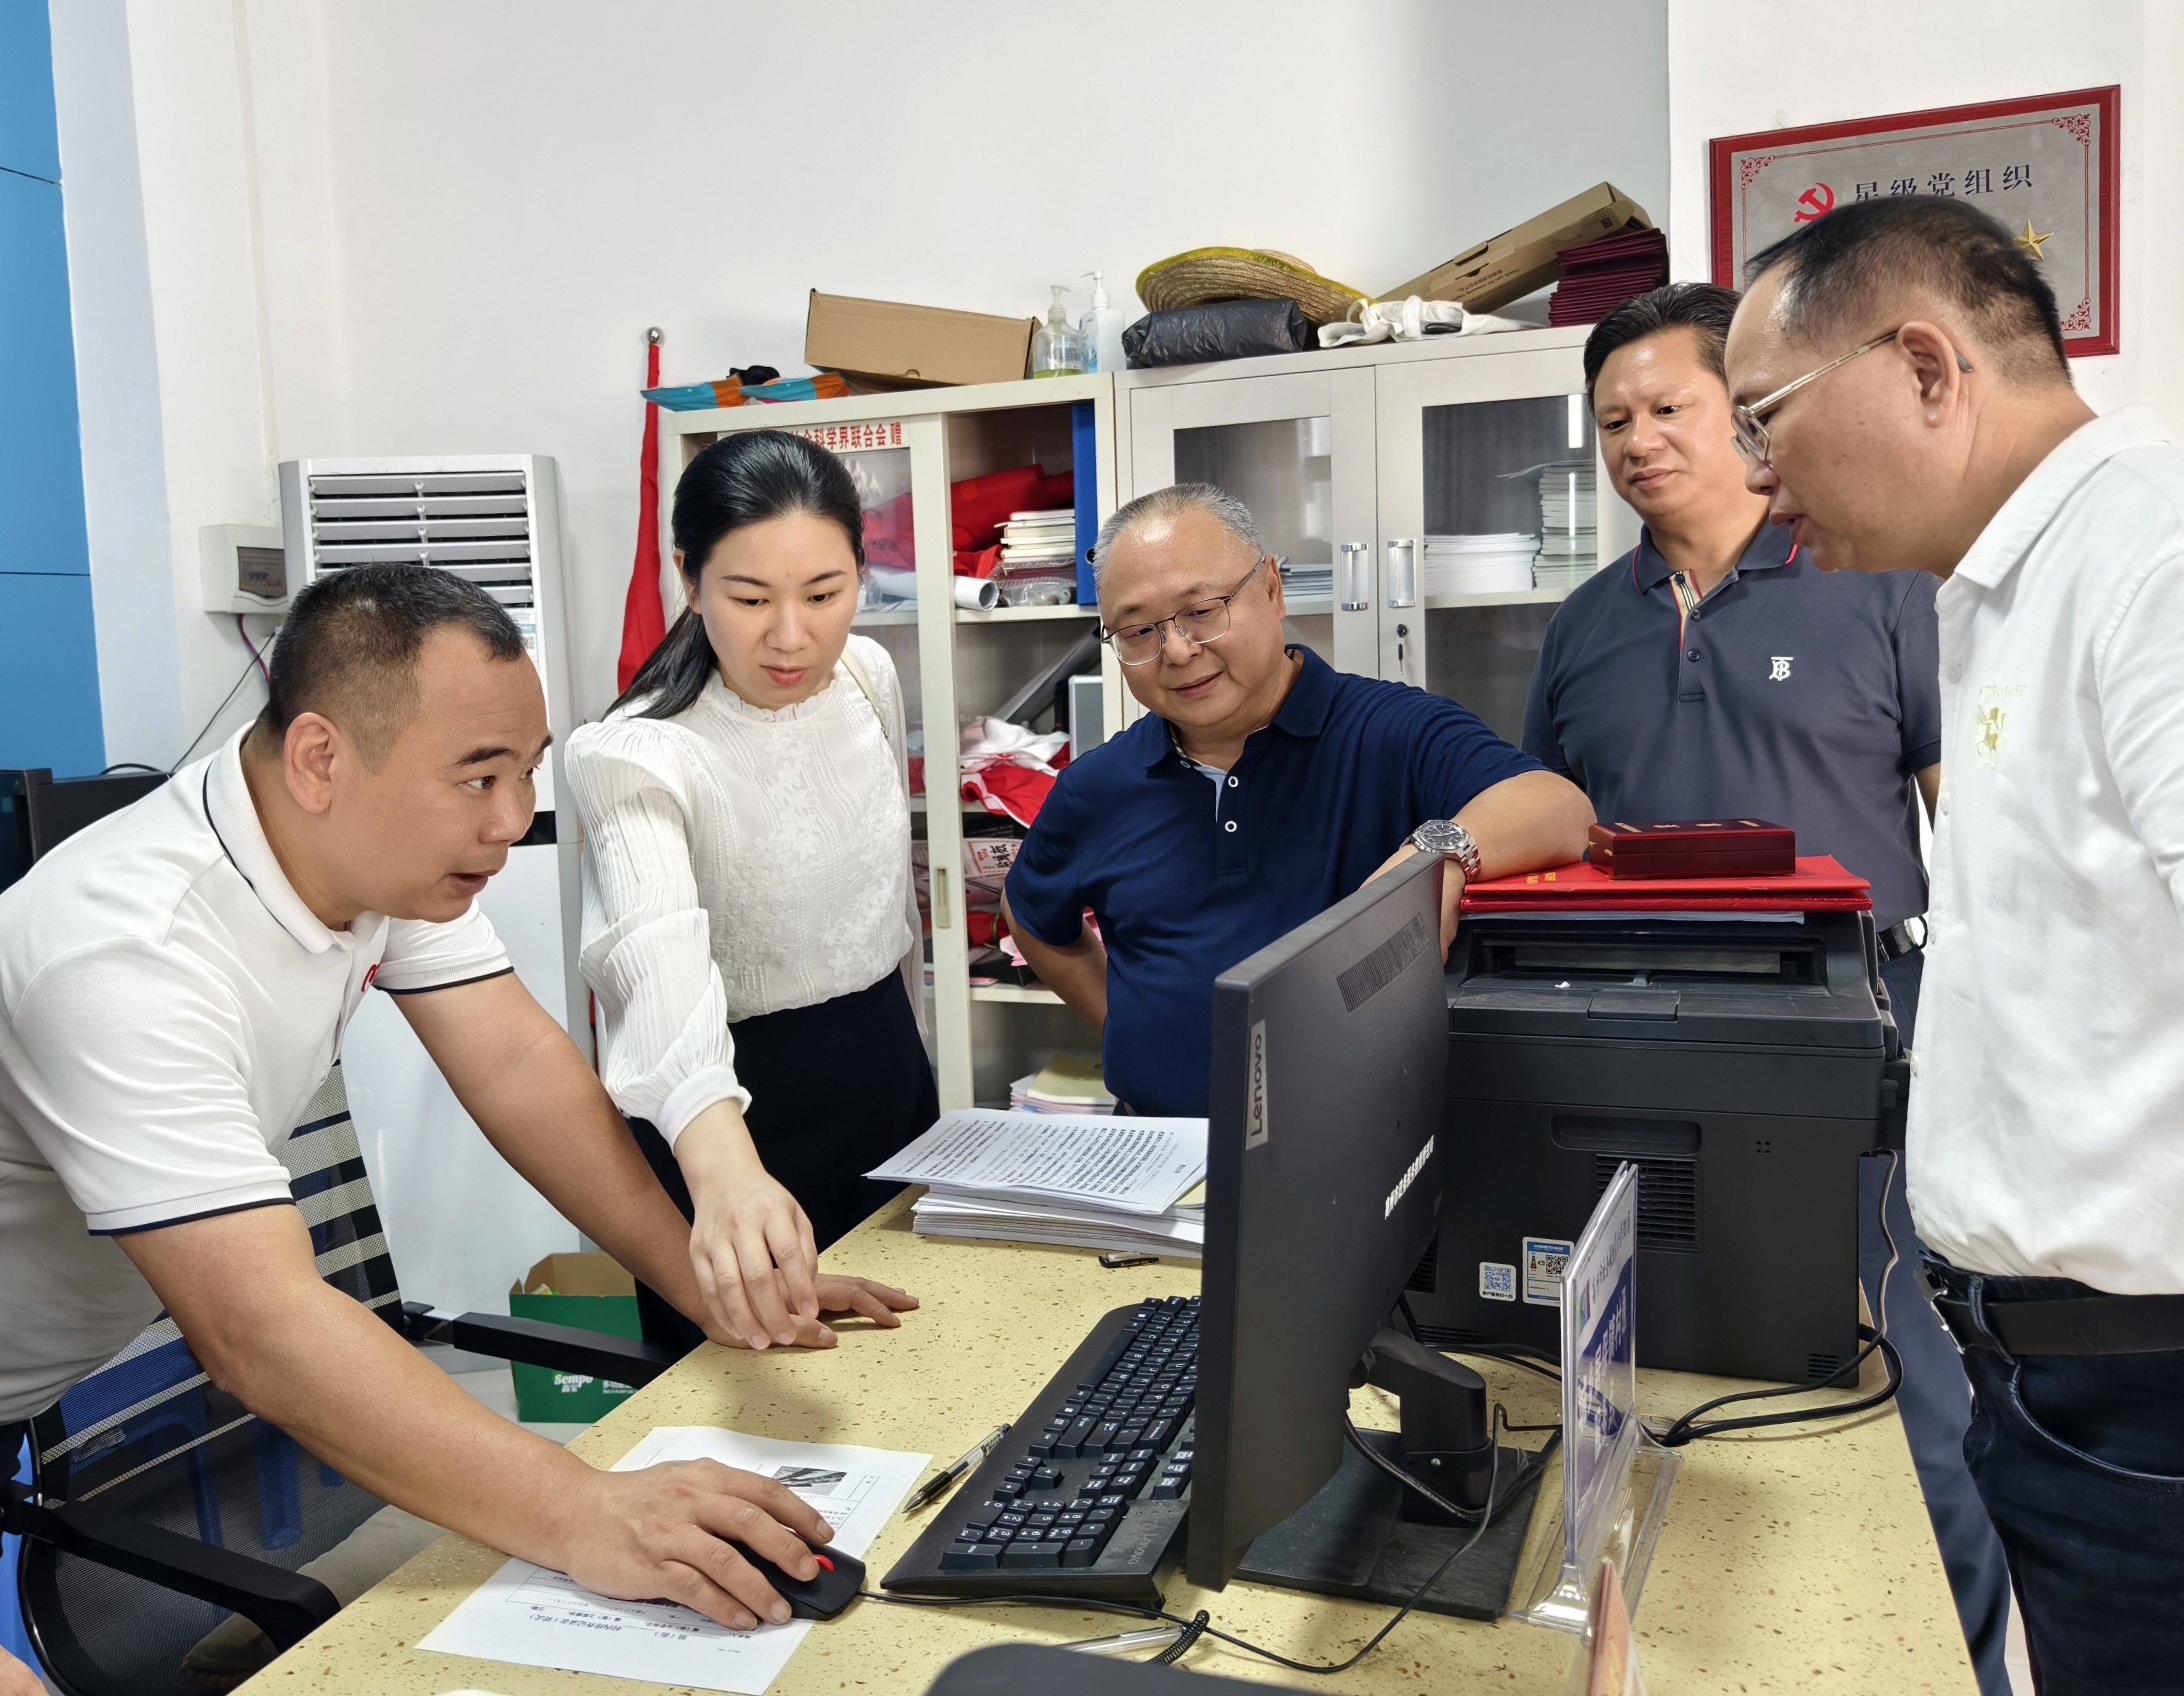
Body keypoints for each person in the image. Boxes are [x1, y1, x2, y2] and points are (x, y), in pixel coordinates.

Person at [0, 564, 914, 1678]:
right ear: (321, 759)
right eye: (478, 779)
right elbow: (259, 1331)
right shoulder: (126, 953)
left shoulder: (363, 852)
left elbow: (520, 1064)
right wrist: (583, 1513)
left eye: (525, 774)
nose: (512, 820)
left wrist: (700, 1281)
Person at [1725, 193, 2184, 1692]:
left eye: (1765, 419)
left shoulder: (2151, 560)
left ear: (1925, 366)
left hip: (2149, 1400)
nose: (1757, 481)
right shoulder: (1996, 584)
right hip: (2059, 1381)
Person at [1526, 282, 2008, 1692]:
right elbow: (1554, 818)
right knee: (1661, 1380)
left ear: (1743, 418)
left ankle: (1951, 1662)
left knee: (1896, 1385)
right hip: (1632, 1051)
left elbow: (1963, 826)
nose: (1637, 440)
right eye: (1612, 418)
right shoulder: (1583, 624)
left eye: (1668, 408)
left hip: (1854, 1053)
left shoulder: (1871, 581)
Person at [1002, 483, 1593, 1117]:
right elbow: (1031, 914)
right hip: (1157, 1158)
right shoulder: (1099, 786)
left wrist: (1437, 855)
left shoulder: (1390, 732)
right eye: (1138, 630)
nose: (1175, 651)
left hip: (1360, 1149)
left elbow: (1558, 807)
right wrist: (1128, 1025)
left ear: (1272, 588)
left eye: (1201, 610)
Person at [564, 432, 936, 1357]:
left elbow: (885, 909)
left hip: (887, 1079)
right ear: (690, 580)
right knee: (764, 1409)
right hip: (726, 1114)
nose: (792, 635)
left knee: (931, 1362)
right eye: (749, 597)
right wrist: (725, 1170)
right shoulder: (635, 752)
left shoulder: (866, 676)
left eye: (825, 593)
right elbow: (656, 964)